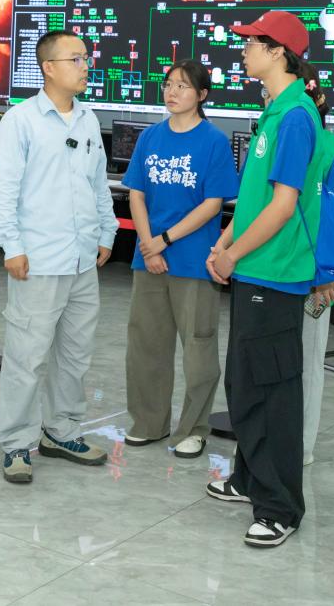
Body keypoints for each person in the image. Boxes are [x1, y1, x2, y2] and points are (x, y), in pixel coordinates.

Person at [204, 10, 334, 548]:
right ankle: (248, 478)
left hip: (275, 272)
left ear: (278, 51)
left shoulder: (297, 118)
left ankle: (280, 506)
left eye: (252, 43)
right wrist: (225, 242)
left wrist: (233, 254)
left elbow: (284, 206)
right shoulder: (275, 112)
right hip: (254, 267)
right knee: (245, 383)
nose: (243, 51)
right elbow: (255, 198)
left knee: (272, 393)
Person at [0, 30, 118, 484]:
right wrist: (12, 246)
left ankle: (61, 431)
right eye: (75, 59)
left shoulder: (87, 119)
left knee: (75, 355)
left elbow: (98, 184)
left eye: (86, 58)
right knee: (27, 356)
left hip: (82, 260)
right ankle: (16, 443)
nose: (85, 66)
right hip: (38, 260)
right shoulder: (20, 121)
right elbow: (2, 190)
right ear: (48, 67)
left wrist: (107, 232)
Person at [122, 59, 239, 458]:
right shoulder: (150, 137)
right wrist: (148, 244)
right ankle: (148, 422)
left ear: (202, 95)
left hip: (192, 261)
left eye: (183, 86)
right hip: (149, 259)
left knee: (198, 348)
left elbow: (212, 204)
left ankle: (193, 428)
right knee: (146, 345)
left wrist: (165, 240)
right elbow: (136, 193)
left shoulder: (214, 142)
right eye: (169, 84)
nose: (172, 92)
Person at [300, 86, 334, 467]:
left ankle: (301, 444)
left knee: (308, 359)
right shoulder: (270, 136)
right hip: (273, 271)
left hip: (314, 274)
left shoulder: (330, 148)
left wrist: (328, 273)